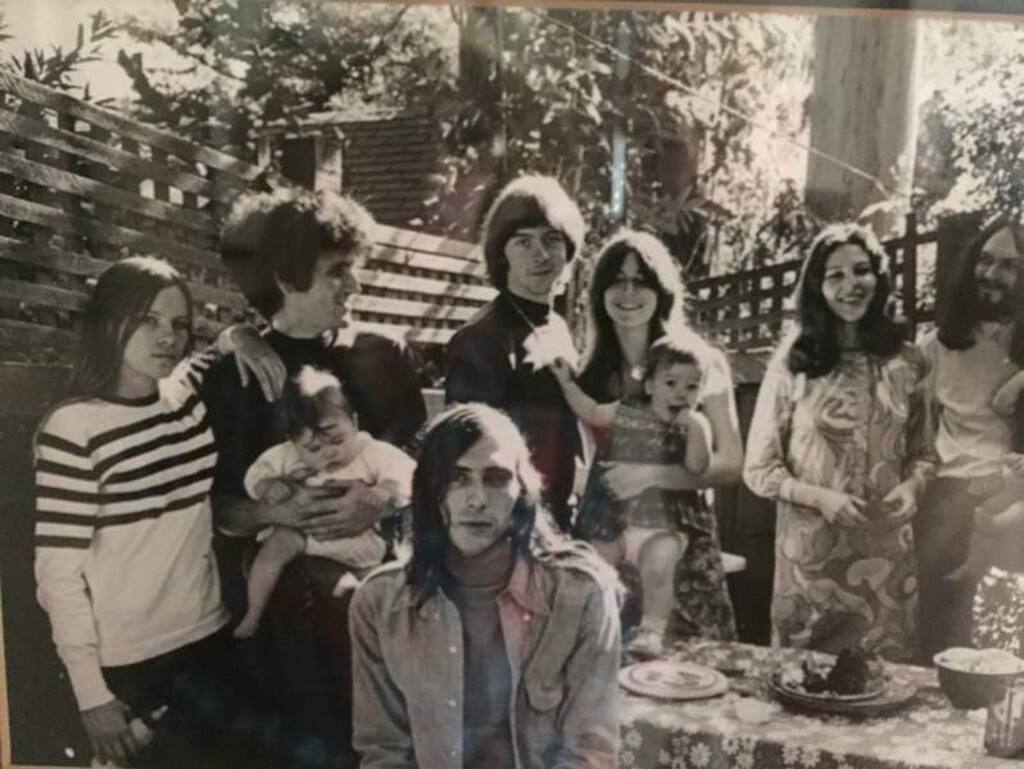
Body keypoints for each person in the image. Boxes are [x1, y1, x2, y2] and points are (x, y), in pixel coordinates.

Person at [202, 187, 426, 764]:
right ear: (286, 277)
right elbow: (217, 505)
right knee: (322, 599)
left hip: (380, 550)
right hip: (281, 573)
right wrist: (273, 510)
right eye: (337, 272)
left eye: (354, 268)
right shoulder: (237, 376)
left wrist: (379, 499)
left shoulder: (382, 357)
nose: (354, 285)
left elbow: (423, 468)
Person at [33, 257, 283, 768]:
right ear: (110, 322)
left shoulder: (183, 397)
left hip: (209, 640)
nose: (167, 336)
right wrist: (92, 696)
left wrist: (239, 335)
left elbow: (213, 350)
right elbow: (57, 575)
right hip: (129, 663)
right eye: (147, 320)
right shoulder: (73, 428)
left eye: (178, 323)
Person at [350, 403, 621, 769]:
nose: (477, 500)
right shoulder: (379, 603)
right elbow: (384, 751)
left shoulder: (582, 594)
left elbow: (590, 751)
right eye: (457, 478)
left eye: (496, 478)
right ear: (429, 490)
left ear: (522, 491)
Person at [744, 223, 935, 662]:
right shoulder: (793, 364)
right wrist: (821, 498)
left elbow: (924, 454)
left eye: (861, 270)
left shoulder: (909, 361)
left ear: (879, 277)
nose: (852, 285)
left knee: (884, 685)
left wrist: (913, 488)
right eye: (835, 275)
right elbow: (758, 468)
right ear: (818, 287)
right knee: (802, 683)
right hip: (811, 561)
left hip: (886, 558)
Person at [574, 229, 742, 642]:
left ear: (661, 290)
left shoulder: (700, 362)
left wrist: (651, 475)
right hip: (608, 534)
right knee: (610, 655)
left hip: (679, 538)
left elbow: (731, 463)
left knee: (695, 660)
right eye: (617, 280)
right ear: (600, 292)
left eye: (641, 281)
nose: (628, 292)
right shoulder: (592, 373)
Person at [550, 337, 712, 655]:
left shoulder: (694, 425)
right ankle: (596, 622)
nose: (681, 393)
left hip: (662, 522)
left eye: (692, 387)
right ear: (650, 385)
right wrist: (566, 383)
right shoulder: (626, 410)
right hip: (613, 517)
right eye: (671, 383)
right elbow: (591, 412)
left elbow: (697, 468)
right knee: (595, 564)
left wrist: (696, 428)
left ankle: (651, 632)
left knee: (659, 567)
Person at [445, 175, 586, 531]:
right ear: (501, 253)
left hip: (557, 517)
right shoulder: (481, 339)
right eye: (523, 242)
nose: (541, 254)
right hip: (510, 522)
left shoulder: (556, 326)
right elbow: (470, 456)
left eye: (552, 239)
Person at [234, 365, 415, 639]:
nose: (330, 453)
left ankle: (383, 633)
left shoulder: (372, 451)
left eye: (338, 440)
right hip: (303, 536)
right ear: (292, 442)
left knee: (375, 590)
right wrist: (269, 486)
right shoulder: (285, 456)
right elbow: (255, 475)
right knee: (276, 546)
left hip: (359, 541)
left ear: (354, 423)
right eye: (314, 448)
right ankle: (254, 611)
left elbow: (409, 474)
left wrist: (384, 491)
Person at [915, 214, 1024, 661]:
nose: (993, 274)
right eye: (985, 260)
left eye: (1009, 265)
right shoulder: (935, 347)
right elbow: (919, 439)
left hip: (1016, 502)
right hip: (951, 503)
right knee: (944, 640)